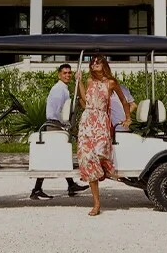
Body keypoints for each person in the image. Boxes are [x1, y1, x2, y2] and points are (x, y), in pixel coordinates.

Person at [77, 55, 131, 216]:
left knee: (100, 151)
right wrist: (78, 81)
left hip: (101, 120)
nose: (94, 64)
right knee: (88, 158)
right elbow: (84, 99)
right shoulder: (89, 81)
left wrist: (128, 117)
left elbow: (124, 99)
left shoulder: (111, 82)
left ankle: (103, 170)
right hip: (87, 119)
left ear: (104, 64)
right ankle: (96, 203)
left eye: (98, 62)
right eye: (92, 63)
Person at [31, 63, 83, 201]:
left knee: (60, 156)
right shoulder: (59, 89)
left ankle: (71, 185)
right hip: (54, 125)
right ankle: (36, 190)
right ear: (59, 74)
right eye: (65, 73)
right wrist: (65, 125)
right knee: (51, 157)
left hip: (57, 124)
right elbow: (57, 111)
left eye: (69, 73)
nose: (67, 75)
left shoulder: (63, 88)